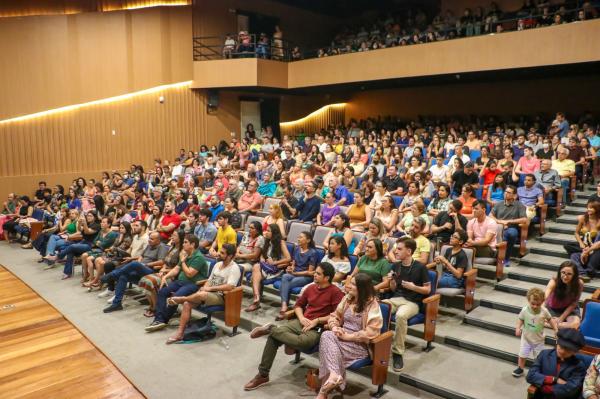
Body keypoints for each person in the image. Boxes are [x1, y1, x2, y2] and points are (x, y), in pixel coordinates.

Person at [243, 263, 344, 391]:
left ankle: (271, 329)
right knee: (274, 338)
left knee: (300, 342)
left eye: (318, 273)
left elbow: (337, 316)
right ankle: (263, 375)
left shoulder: (336, 293)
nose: (314, 274)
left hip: (319, 327)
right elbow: (298, 306)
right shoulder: (311, 288)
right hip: (301, 321)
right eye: (315, 272)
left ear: (327, 278)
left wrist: (317, 320)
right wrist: (301, 318)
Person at [316, 273, 382, 398]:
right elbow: (334, 316)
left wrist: (348, 337)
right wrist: (335, 327)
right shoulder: (347, 298)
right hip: (341, 338)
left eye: (353, 284)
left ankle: (327, 387)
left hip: (359, 345)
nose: (348, 286)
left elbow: (371, 332)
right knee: (328, 336)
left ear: (362, 288)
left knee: (326, 339)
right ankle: (332, 380)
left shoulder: (373, 305)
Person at [165, 243, 241, 343]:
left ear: (230, 256)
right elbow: (209, 280)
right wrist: (205, 287)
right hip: (208, 294)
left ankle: (181, 299)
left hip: (222, 296)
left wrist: (209, 289)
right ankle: (179, 333)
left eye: (222, 253)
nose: (218, 254)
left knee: (199, 295)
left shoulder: (234, 268)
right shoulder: (218, 264)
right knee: (187, 304)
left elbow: (230, 286)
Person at [384, 237, 431, 371]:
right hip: (396, 299)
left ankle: (398, 352)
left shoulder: (420, 267)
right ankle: (377, 345)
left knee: (400, 316)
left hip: (412, 303)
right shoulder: (396, 265)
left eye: (399, 249)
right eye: (396, 248)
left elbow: (427, 289)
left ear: (409, 251)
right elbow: (393, 289)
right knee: (378, 307)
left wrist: (413, 287)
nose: (396, 251)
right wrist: (392, 281)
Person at [145, 235, 209, 332]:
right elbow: (176, 269)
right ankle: (159, 319)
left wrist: (182, 261)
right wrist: (165, 277)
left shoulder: (198, 257)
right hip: (180, 282)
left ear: (193, 244)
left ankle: (162, 320)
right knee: (162, 292)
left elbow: (190, 274)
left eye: (185, 242)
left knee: (176, 296)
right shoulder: (186, 255)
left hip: (192, 284)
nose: (183, 244)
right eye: (183, 242)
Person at [101, 231, 168, 312]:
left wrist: (145, 264)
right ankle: (117, 304)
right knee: (123, 276)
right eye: (149, 238)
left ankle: (112, 275)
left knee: (134, 264)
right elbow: (141, 256)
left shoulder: (162, 247)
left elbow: (162, 261)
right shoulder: (149, 245)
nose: (149, 240)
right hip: (140, 268)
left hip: (150, 271)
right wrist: (140, 262)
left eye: (152, 239)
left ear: (158, 240)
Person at [526, 328, 587, 398]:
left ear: (575, 351)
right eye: (561, 346)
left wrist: (546, 388)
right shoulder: (544, 354)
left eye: (568, 349)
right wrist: (554, 379)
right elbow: (530, 376)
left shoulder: (579, 366)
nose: (562, 351)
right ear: (557, 342)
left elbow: (571, 389)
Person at [245, 224, 291, 312]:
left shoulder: (281, 242)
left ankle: (256, 300)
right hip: (266, 267)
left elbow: (288, 258)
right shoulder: (267, 241)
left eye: (268, 231)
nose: (266, 232)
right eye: (266, 230)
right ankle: (257, 297)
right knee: (256, 267)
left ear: (274, 233)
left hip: (276, 269)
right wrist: (263, 260)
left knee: (255, 274)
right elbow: (263, 256)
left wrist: (274, 262)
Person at [138, 230, 184, 318]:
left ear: (180, 238)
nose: (172, 237)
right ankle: (153, 306)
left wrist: (165, 272)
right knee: (144, 280)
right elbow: (165, 262)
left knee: (149, 282)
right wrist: (162, 269)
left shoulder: (182, 251)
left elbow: (179, 268)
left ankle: (155, 308)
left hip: (173, 276)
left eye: (174, 235)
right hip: (164, 272)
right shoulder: (172, 247)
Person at [513, 287, 556, 378]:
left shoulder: (544, 311)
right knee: (522, 355)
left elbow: (550, 320)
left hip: (539, 340)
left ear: (542, 301)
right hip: (526, 338)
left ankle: (536, 370)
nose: (535, 306)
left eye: (538, 304)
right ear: (528, 300)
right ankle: (520, 368)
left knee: (538, 357)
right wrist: (517, 328)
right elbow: (520, 319)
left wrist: (556, 329)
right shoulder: (525, 310)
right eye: (533, 304)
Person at [277, 231, 318, 317]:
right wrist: (291, 268)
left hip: (305, 276)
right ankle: (284, 305)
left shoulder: (313, 252)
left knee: (284, 285)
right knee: (285, 276)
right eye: (298, 237)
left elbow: (310, 272)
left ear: (308, 240)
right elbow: (293, 264)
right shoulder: (296, 249)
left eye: (301, 237)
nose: (298, 239)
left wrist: (295, 273)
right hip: (295, 273)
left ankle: (285, 307)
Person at [490, 185, 527, 265]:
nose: (506, 194)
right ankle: (495, 256)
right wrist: (500, 222)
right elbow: (490, 215)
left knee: (512, 233)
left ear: (514, 195)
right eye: (505, 192)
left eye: (509, 192)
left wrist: (508, 222)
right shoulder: (498, 204)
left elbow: (524, 219)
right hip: (498, 226)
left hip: (510, 227)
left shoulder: (519, 205)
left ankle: (506, 257)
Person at [544, 261, 584, 330]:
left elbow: (574, 303)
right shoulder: (554, 280)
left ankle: (549, 324)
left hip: (569, 308)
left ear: (574, 275)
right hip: (553, 308)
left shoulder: (579, 283)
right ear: (560, 272)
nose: (565, 276)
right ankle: (551, 323)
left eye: (569, 274)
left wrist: (561, 318)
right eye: (563, 273)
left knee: (575, 325)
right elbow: (544, 297)